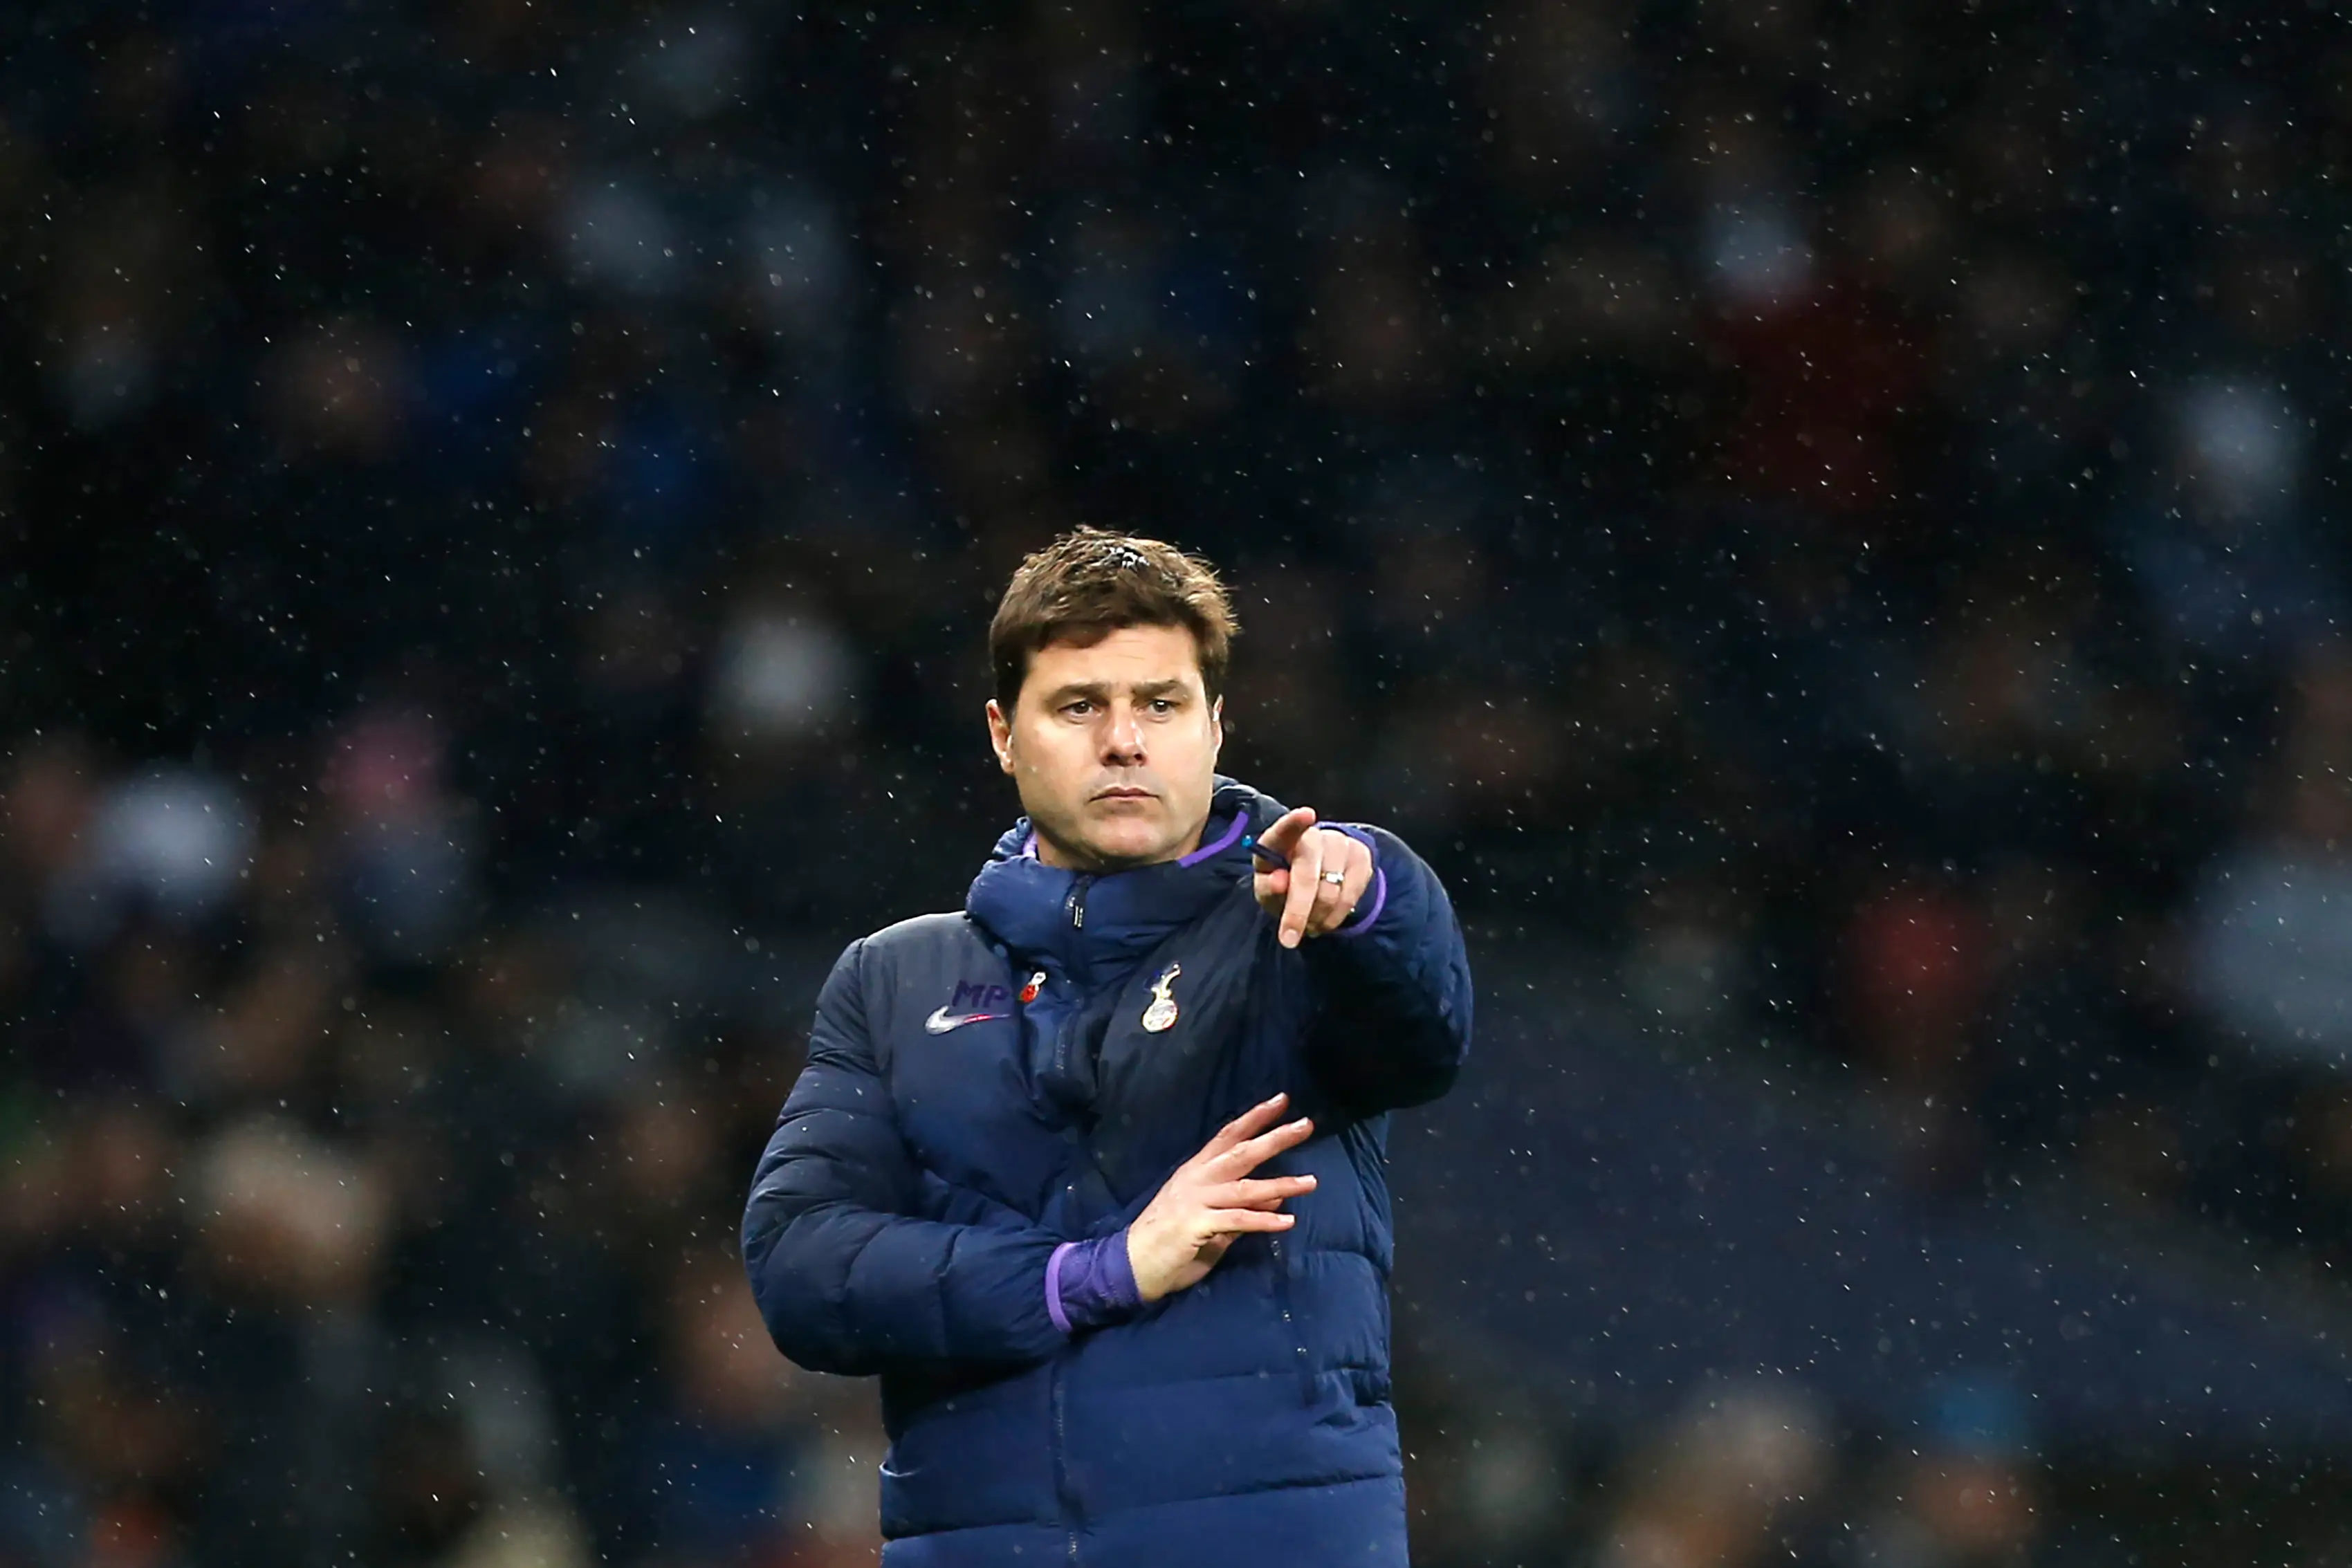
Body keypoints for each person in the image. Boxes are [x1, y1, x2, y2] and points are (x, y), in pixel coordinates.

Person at [740, 527, 1473, 1566]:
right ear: (1003, 733)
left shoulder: (1301, 924)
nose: (1124, 740)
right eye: (1080, 705)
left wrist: (1373, 894)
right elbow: (802, 1268)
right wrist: (1094, 1271)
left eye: (1161, 704)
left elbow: (1425, 1029)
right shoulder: (894, 980)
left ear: (1218, 725)